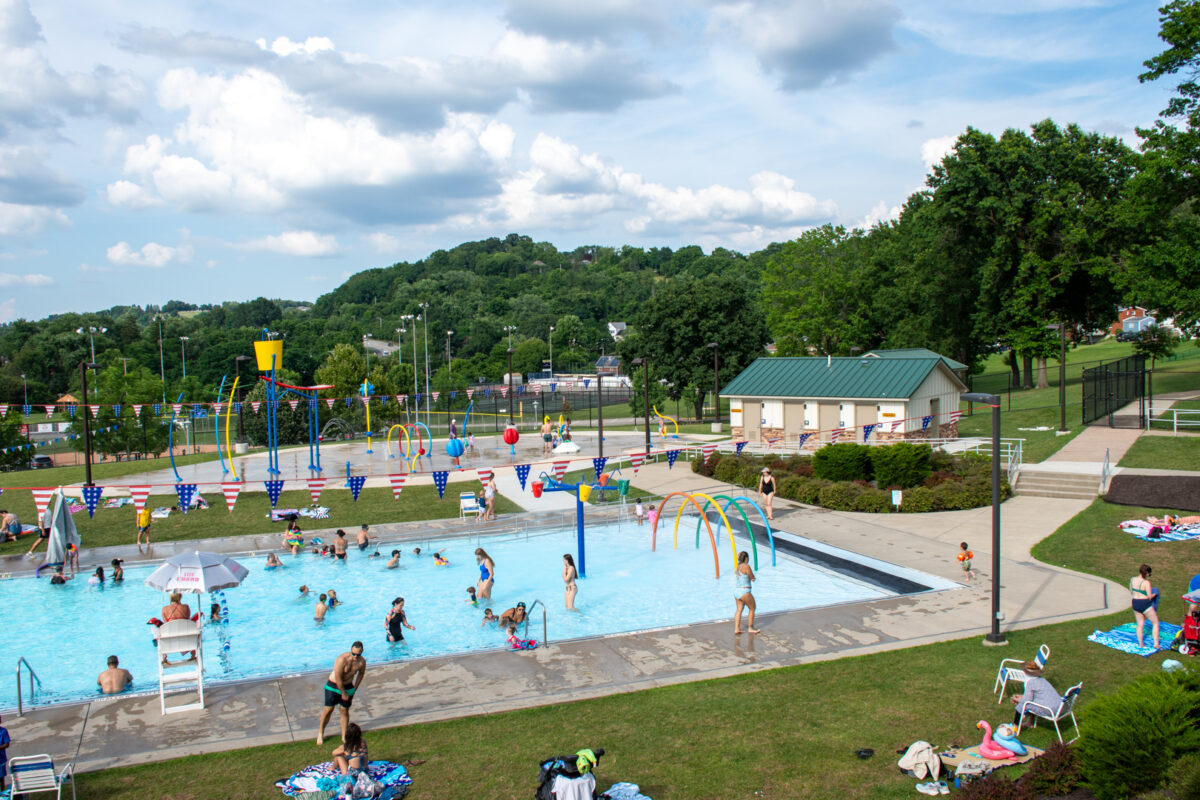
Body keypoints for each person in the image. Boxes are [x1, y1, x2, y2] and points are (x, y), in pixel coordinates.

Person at [316, 641, 366, 746]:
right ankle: (321, 733)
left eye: (358, 654)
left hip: (348, 686)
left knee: (344, 710)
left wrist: (354, 689)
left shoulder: (361, 662)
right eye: (353, 654)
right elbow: (338, 678)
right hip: (333, 686)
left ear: (362, 652)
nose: (355, 657)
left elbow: (361, 674)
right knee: (328, 709)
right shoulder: (341, 660)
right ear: (351, 650)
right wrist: (343, 693)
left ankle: (344, 736)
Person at [1009, 660, 1062, 724]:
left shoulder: (1030, 682)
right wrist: (1020, 697)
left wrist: (1016, 699)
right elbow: (1033, 696)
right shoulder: (1042, 679)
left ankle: (1015, 726)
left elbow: (1027, 700)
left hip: (1051, 710)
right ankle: (1029, 723)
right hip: (1060, 707)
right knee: (1029, 703)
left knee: (1022, 705)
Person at [1131, 563, 1161, 649]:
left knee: (1140, 624)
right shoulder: (1146, 582)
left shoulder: (1132, 580)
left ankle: (1141, 644)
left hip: (1135, 602)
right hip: (1144, 604)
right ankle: (1156, 644)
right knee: (1155, 623)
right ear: (1147, 573)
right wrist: (1155, 594)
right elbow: (1149, 596)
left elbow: (1131, 591)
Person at [733, 550, 759, 634]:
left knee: (739, 610)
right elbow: (752, 577)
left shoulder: (738, 566)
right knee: (752, 608)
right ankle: (750, 628)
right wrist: (754, 578)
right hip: (744, 591)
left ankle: (737, 629)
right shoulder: (746, 566)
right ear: (746, 558)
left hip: (737, 591)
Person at [0, 712, 8, 794]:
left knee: (1, 778)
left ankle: (2, 793)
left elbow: (6, 744)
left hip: (1, 759)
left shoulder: (3, 731)